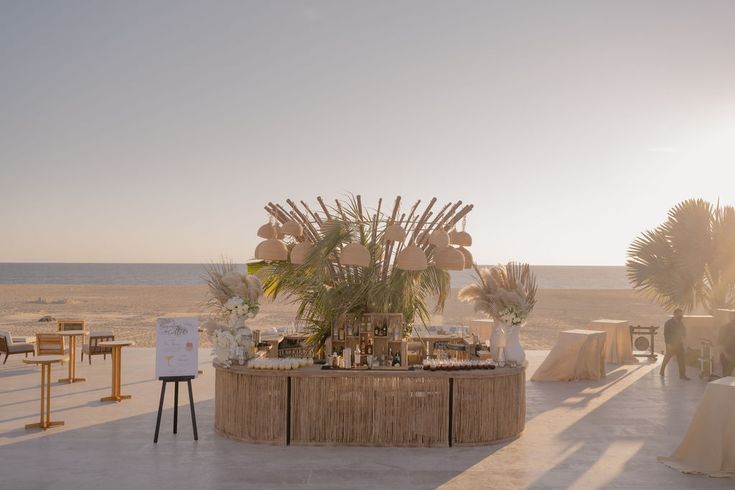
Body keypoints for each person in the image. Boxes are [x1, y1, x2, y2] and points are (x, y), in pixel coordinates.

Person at [660, 308, 690, 380]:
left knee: (681, 360)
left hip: (679, 343)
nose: (681, 316)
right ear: (675, 314)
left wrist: (683, 336)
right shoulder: (668, 323)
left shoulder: (680, 322)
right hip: (671, 344)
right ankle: (662, 370)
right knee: (667, 358)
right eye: (679, 314)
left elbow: (684, 330)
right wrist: (668, 344)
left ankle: (682, 375)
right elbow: (666, 334)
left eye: (681, 314)